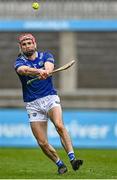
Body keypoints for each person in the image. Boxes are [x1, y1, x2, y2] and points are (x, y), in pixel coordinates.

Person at [14, 33, 83, 174]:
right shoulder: (19, 62)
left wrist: (46, 71)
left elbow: (49, 67)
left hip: (50, 98)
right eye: (24, 44)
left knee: (59, 125)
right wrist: (38, 71)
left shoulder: (46, 55)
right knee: (42, 142)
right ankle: (60, 164)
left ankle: (73, 159)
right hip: (33, 103)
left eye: (29, 43)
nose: (27, 46)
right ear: (20, 47)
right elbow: (23, 70)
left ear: (35, 44)